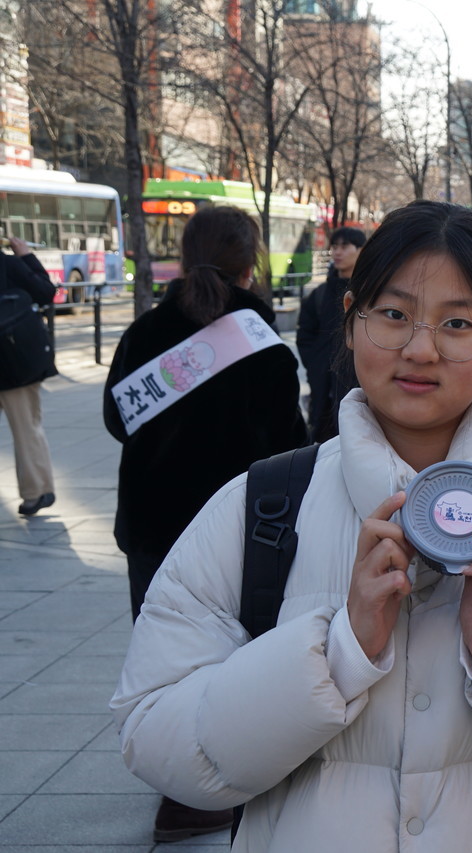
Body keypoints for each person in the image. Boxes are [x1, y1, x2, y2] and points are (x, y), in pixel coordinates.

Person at [110, 201, 472, 852]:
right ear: (350, 321)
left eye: (458, 322)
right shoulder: (260, 510)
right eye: (393, 314)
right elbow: (153, 732)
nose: (419, 348)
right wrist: (340, 651)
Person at [104, 205, 308, 842]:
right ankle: (204, 794)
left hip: (151, 524)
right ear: (250, 263)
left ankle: (180, 789)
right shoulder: (262, 346)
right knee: (230, 660)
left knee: (166, 659)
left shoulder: (145, 331)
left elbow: (117, 419)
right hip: (232, 533)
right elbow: (288, 447)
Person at [0, 236, 57, 516]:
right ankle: (37, 492)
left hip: (12, 368)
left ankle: (38, 491)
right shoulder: (9, 265)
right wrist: (25, 256)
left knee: (27, 429)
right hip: (14, 364)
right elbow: (46, 292)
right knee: (26, 429)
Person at [298, 226, 366, 443]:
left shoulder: (369, 293)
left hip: (357, 384)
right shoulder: (319, 294)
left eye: (344, 246)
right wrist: (316, 364)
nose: (337, 252)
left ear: (361, 251)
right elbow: (305, 335)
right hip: (322, 387)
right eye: (334, 246)